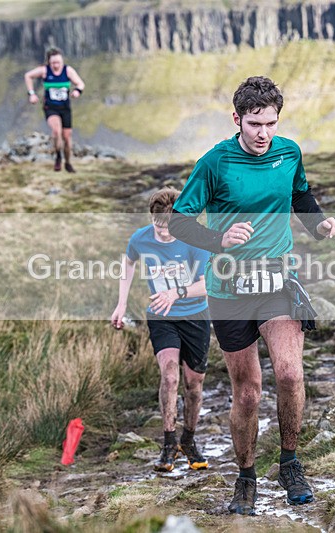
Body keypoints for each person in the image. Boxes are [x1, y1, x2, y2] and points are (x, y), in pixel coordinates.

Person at [168, 76, 335, 515]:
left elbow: (301, 197)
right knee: (247, 393)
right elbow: (178, 222)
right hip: (229, 289)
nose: (264, 133)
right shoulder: (214, 163)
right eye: (254, 124)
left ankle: (289, 463)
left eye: (270, 122)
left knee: (289, 374)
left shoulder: (289, 152)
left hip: (278, 282)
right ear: (237, 120)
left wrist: (319, 224)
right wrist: (219, 238)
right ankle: (246, 477)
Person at [111, 188, 212, 472]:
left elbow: (208, 284)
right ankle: (169, 443)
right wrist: (121, 304)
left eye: (170, 227)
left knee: (194, 385)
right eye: (159, 226)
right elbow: (128, 263)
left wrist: (176, 293)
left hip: (195, 316)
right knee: (169, 376)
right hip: (161, 317)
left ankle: (188, 440)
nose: (165, 233)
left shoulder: (195, 239)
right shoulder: (140, 238)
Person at [24, 47, 85, 173]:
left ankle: (68, 163)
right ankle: (58, 156)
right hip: (50, 108)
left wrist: (77, 91)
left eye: (58, 62)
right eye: (53, 63)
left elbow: (80, 83)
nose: (56, 65)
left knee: (67, 138)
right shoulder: (45, 71)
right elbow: (28, 76)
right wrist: (31, 93)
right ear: (49, 63)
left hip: (65, 108)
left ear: (62, 61)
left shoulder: (68, 71)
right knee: (56, 131)